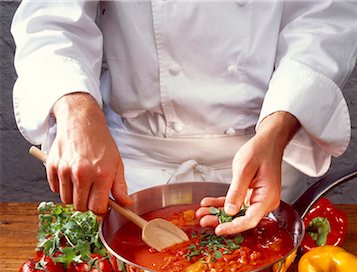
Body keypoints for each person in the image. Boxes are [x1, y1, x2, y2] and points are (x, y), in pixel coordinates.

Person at [11, 1, 357, 236]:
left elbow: (322, 21)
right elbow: (50, 17)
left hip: (258, 167)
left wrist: (277, 132)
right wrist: (76, 112)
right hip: (130, 173)